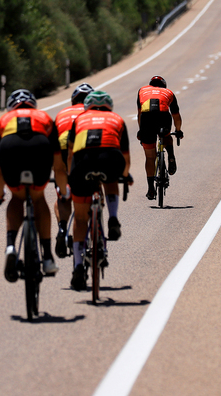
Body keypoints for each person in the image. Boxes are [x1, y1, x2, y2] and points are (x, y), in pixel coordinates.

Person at [0, 89, 66, 282]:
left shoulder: (3, 121)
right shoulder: (45, 118)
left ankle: (10, 247)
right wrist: (63, 190)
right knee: (38, 198)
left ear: (11, 107)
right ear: (33, 105)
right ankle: (48, 257)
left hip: (10, 147)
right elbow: (58, 166)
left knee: (17, 197)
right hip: (39, 147)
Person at [65, 90, 132, 291]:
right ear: (109, 107)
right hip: (110, 158)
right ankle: (112, 218)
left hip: (82, 162)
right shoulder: (117, 119)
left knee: (80, 219)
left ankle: (78, 267)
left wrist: (70, 177)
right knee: (111, 178)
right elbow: (125, 156)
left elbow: (70, 154)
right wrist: (125, 175)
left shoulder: (79, 119)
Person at [51, 82, 94, 258]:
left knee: (64, 194)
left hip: (62, 148)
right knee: (91, 188)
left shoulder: (62, 113)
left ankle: (62, 229)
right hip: (85, 147)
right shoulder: (94, 112)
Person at [136, 75, 183, 200]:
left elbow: (140, 114)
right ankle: (171, 156)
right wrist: (178, 131)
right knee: (166, 135)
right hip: (163, 117)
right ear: (164, 85)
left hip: (146, 120)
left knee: (150, 157)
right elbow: (176, 115)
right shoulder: (169, 93)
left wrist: (141, 130)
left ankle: (151, 189)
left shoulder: (142, 91)